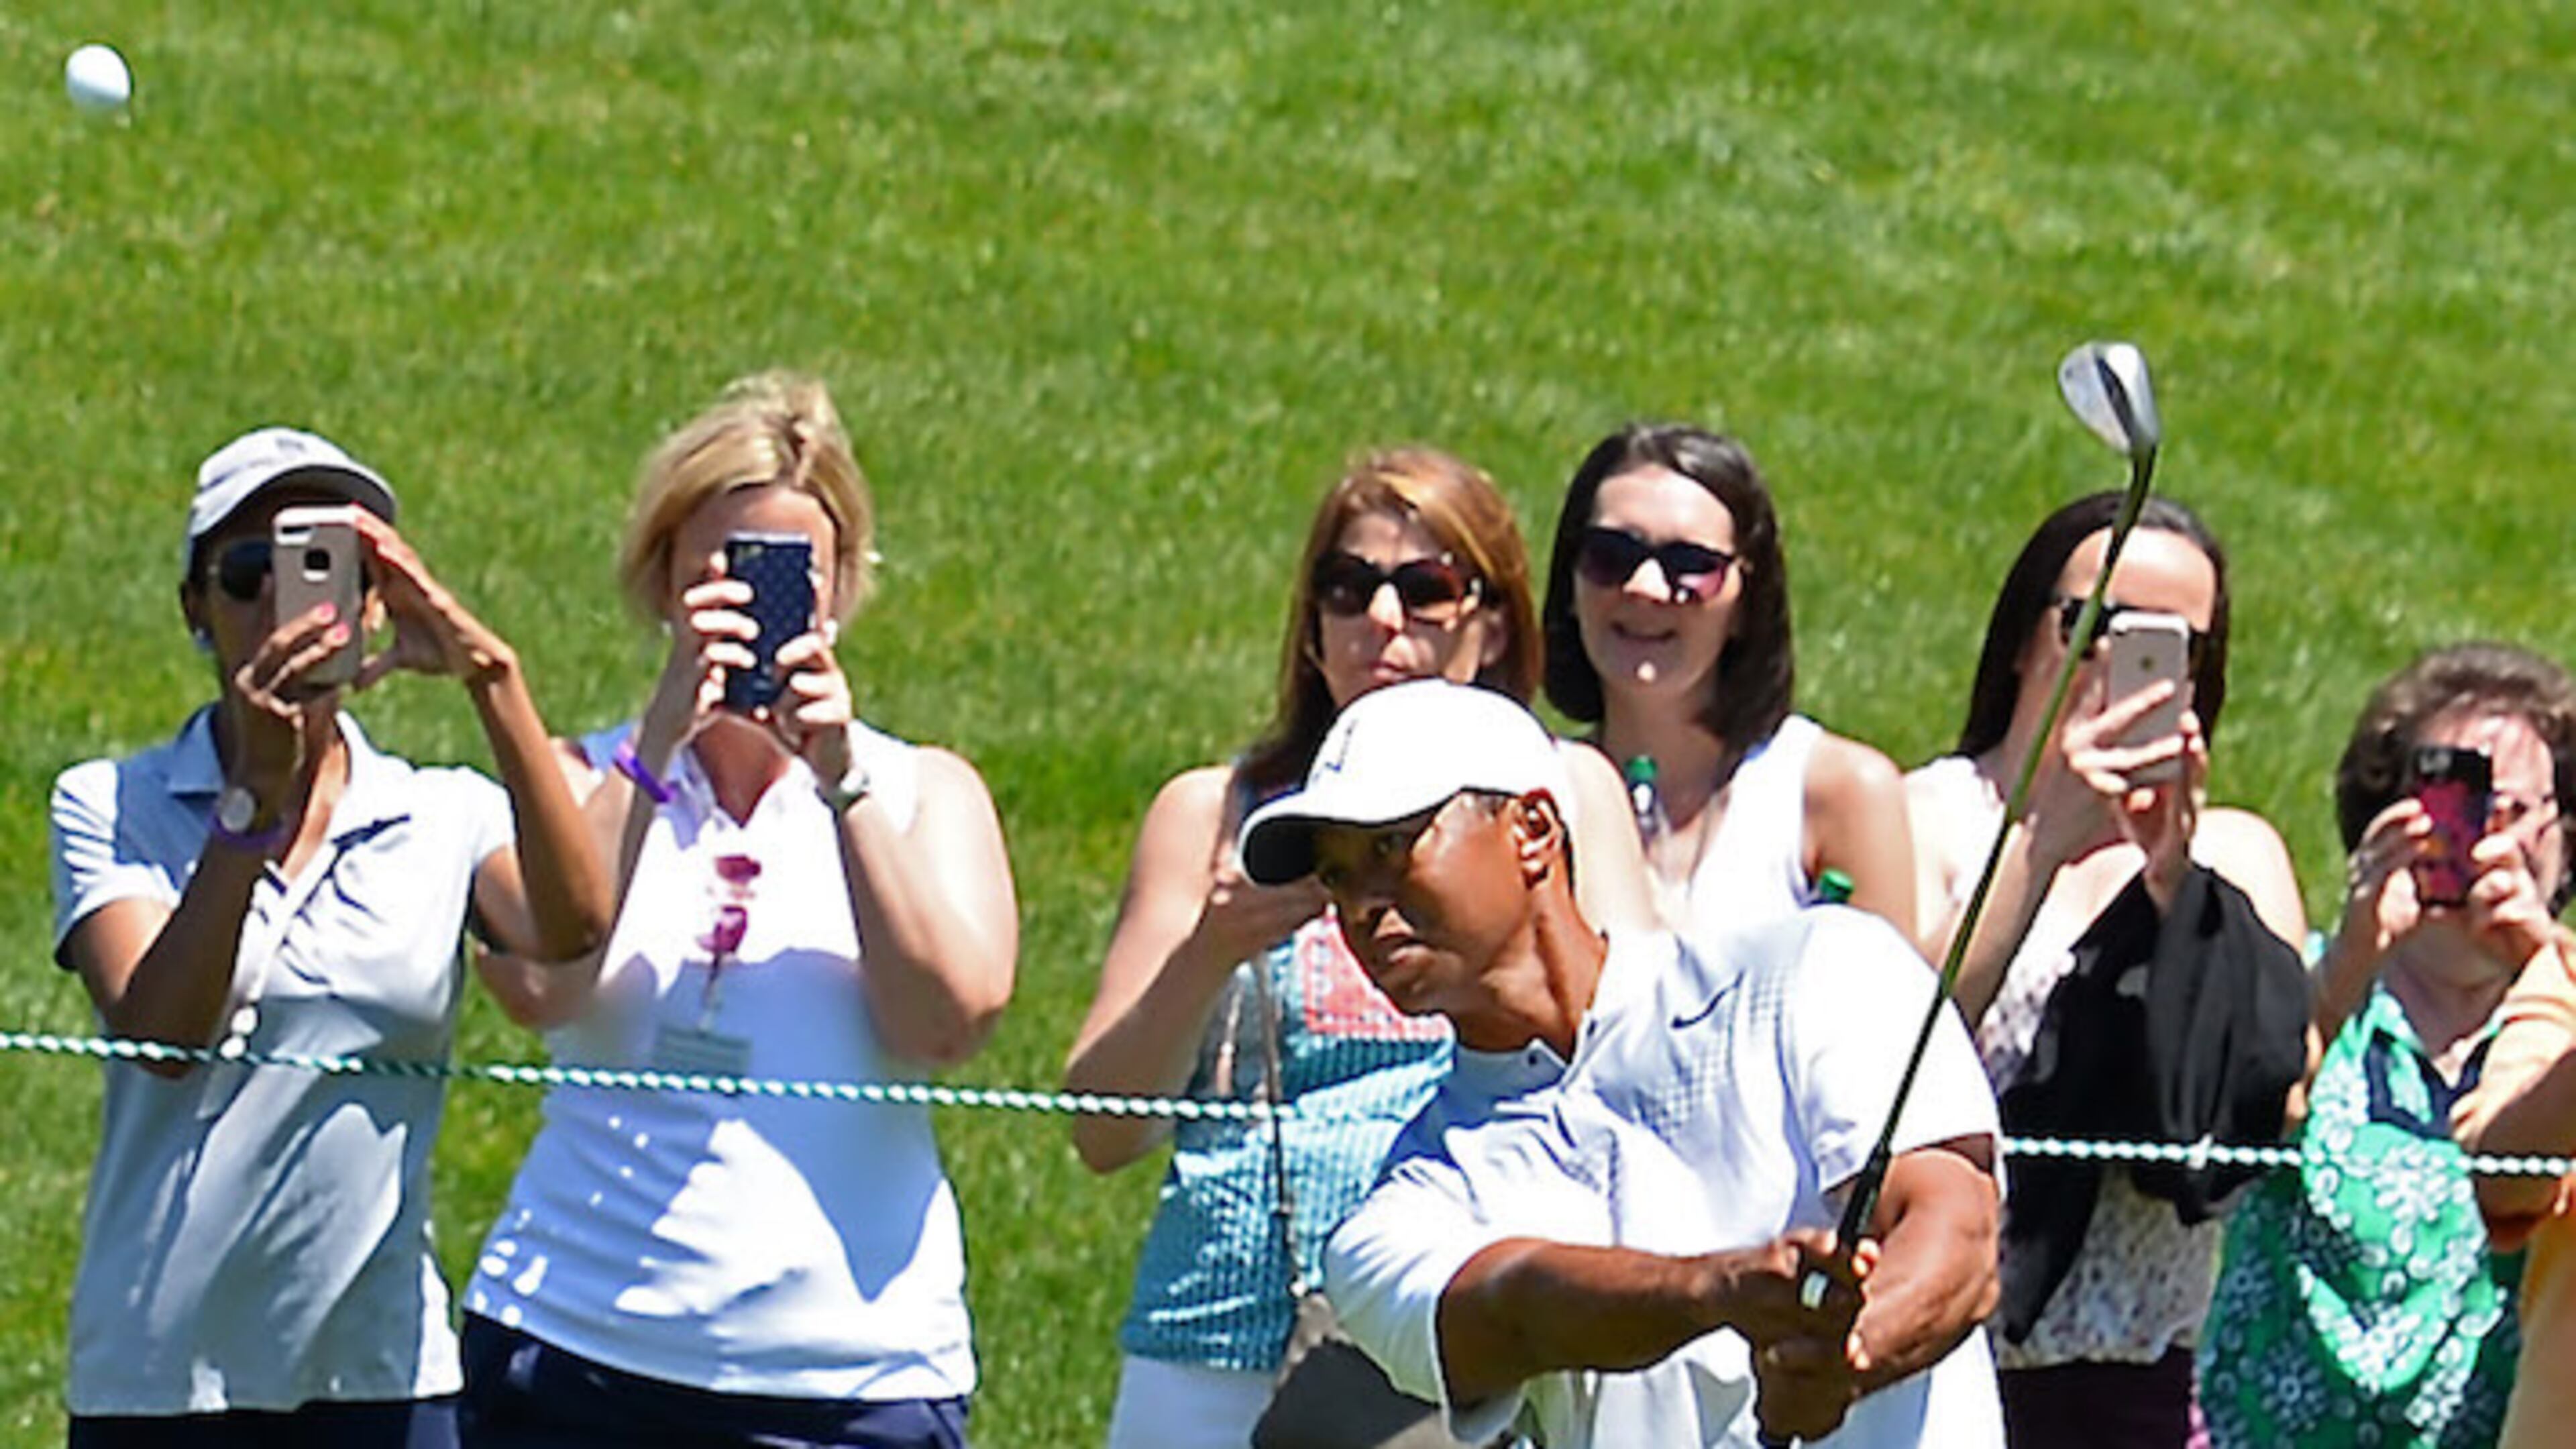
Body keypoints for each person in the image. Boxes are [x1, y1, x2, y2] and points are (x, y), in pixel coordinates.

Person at [456, 373, 1016, 1449]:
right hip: (577, 1354)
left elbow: (947, 1024)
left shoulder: (925, 793)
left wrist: (841, 779)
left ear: (842, 588)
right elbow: (539, 985)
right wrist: (656, 746)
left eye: (784, 575)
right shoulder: (577, 785)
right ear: (661, 581)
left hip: (850, 1381)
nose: (746, 605)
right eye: (714, 571)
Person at [1064, 447, 1653, 1449]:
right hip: (1221, 1325)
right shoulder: (1219, 814)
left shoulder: (1561, 792)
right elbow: (1101, 1131)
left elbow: (1635, 1055)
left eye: (1426, 590)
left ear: (1494, 622)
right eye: (1349, 587)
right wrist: (1209, 952)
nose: (1383, 621)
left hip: (1458, 1329)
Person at [1240, 677, 2003, 1448]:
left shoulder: (1821, 965)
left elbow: (1958, 1228)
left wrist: (1848, 1356)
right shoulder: (1395, 1213)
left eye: (1390, 846)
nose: (1362, 904)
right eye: (1337, 875)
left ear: (1533, 829)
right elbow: (1518, 1310)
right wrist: (1718, 1292)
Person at [47, 426, 611, 1446]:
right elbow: (163, 1035)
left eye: (326, 570)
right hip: (161, 1381)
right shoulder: (109, 803)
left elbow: (572, 928)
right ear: (196, 609)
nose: (281, 603)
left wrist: (493, 676)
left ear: (374, 601)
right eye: (249, 571)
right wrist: (250, 804)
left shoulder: (440, 815)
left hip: (380, 1378)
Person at [1903, 492, 2308, 1445]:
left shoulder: (2235, 856)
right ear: (2018, 636)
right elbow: (1894, 1053)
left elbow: (2277, 1100)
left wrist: (2173, 882)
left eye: (2171, 643)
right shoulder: (1927, 818)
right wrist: (2042, 841)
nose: (2112, 659)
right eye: (2090, 623)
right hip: (1940, 1363)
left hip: (2145, 1389)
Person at [2202, 643, 2575, 1444]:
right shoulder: (2309, 987)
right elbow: (2233, 1136)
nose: (2477, 840)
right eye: (2448, 800)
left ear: (2564, 838)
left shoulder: (2566, 1024)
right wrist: (2352, 959)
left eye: (2507, 809)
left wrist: (2542, 961)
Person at [1540, 423, 1916, 941]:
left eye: (1690, 566)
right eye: (1611, 557)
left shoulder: (1839, 792)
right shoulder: (1534, 794)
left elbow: (1893, 1014)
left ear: (1747, 602)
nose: (1645, 588)